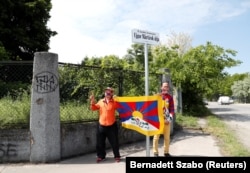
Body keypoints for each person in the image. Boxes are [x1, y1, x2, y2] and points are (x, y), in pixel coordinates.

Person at [89, 87, 121, 163]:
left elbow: (120, 107)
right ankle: (101, 156)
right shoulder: (100, 101)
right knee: (100, 142)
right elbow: (93, 108)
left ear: (112, 94)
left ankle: (117, 156)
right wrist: (92, 101)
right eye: (106, 93)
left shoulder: (114, 102)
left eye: (109, 93)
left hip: (111, 126)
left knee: (114, 142)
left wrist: (116, 100)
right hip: (101, 126)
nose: (107, 94)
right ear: (104, 93)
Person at [152, 82, 175, 157]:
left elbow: (172, 109)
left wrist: (169, 119)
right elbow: (153, 108)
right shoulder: (157, 96)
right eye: (164, 86)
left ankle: (166, 152)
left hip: (166, 121)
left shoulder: (170, 98)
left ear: (168, 88)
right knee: (156, 138)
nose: (166, 88)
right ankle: (155, 152)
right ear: (161, 87)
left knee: (167, 138)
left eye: (167, 86)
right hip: (158, 121)